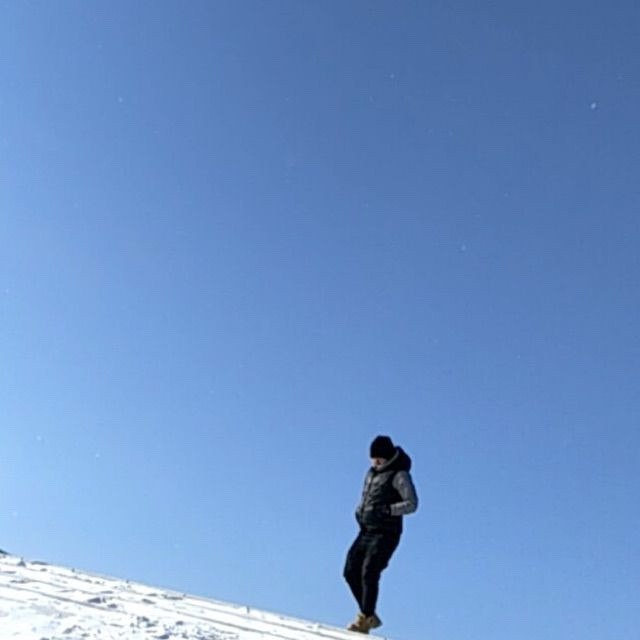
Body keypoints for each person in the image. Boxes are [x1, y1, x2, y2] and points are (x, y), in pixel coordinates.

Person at [343, 435, 418, 634]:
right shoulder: (371, 473)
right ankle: (369, 614)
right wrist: (359, 511)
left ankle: (364, 619)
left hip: (386, 532)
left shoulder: (399, 475)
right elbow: (367, 496)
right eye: (372, 460)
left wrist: (388, 510)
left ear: (388, 458)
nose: (375, 464)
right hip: (366, 529)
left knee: (369, 571)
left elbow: (412, 504)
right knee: (350, 571)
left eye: (379, 460)